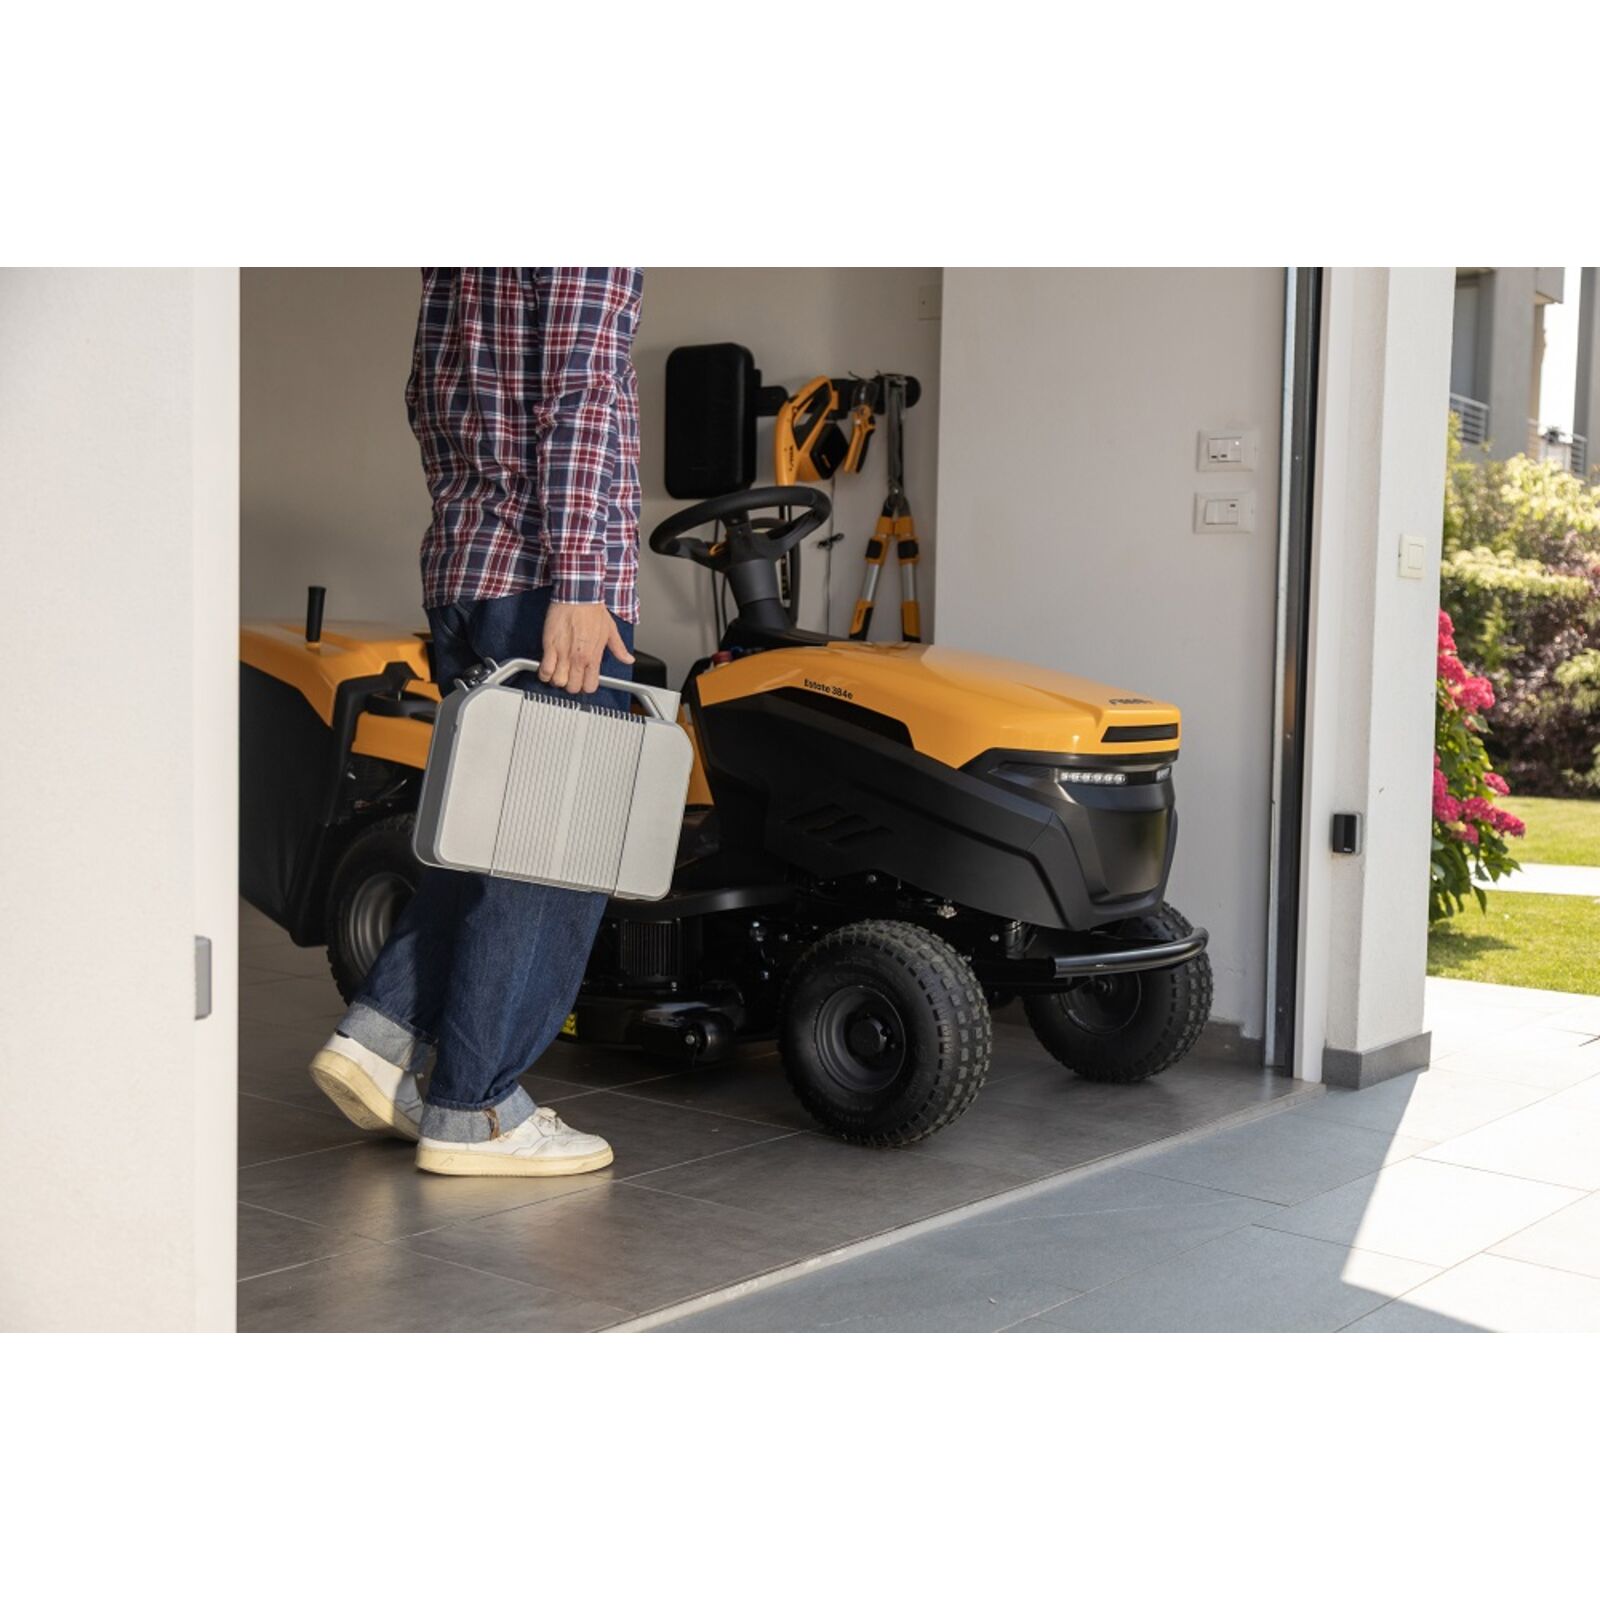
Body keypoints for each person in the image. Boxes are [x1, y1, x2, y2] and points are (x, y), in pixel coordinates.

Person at [307, 267, 643, 1177]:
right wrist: (580, 584)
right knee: (552, 854)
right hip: (548, 588)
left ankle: (382, 1040)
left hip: (469, 573)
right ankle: (477, 1108)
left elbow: (430, 393)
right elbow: (580, 398)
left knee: (488, 841)